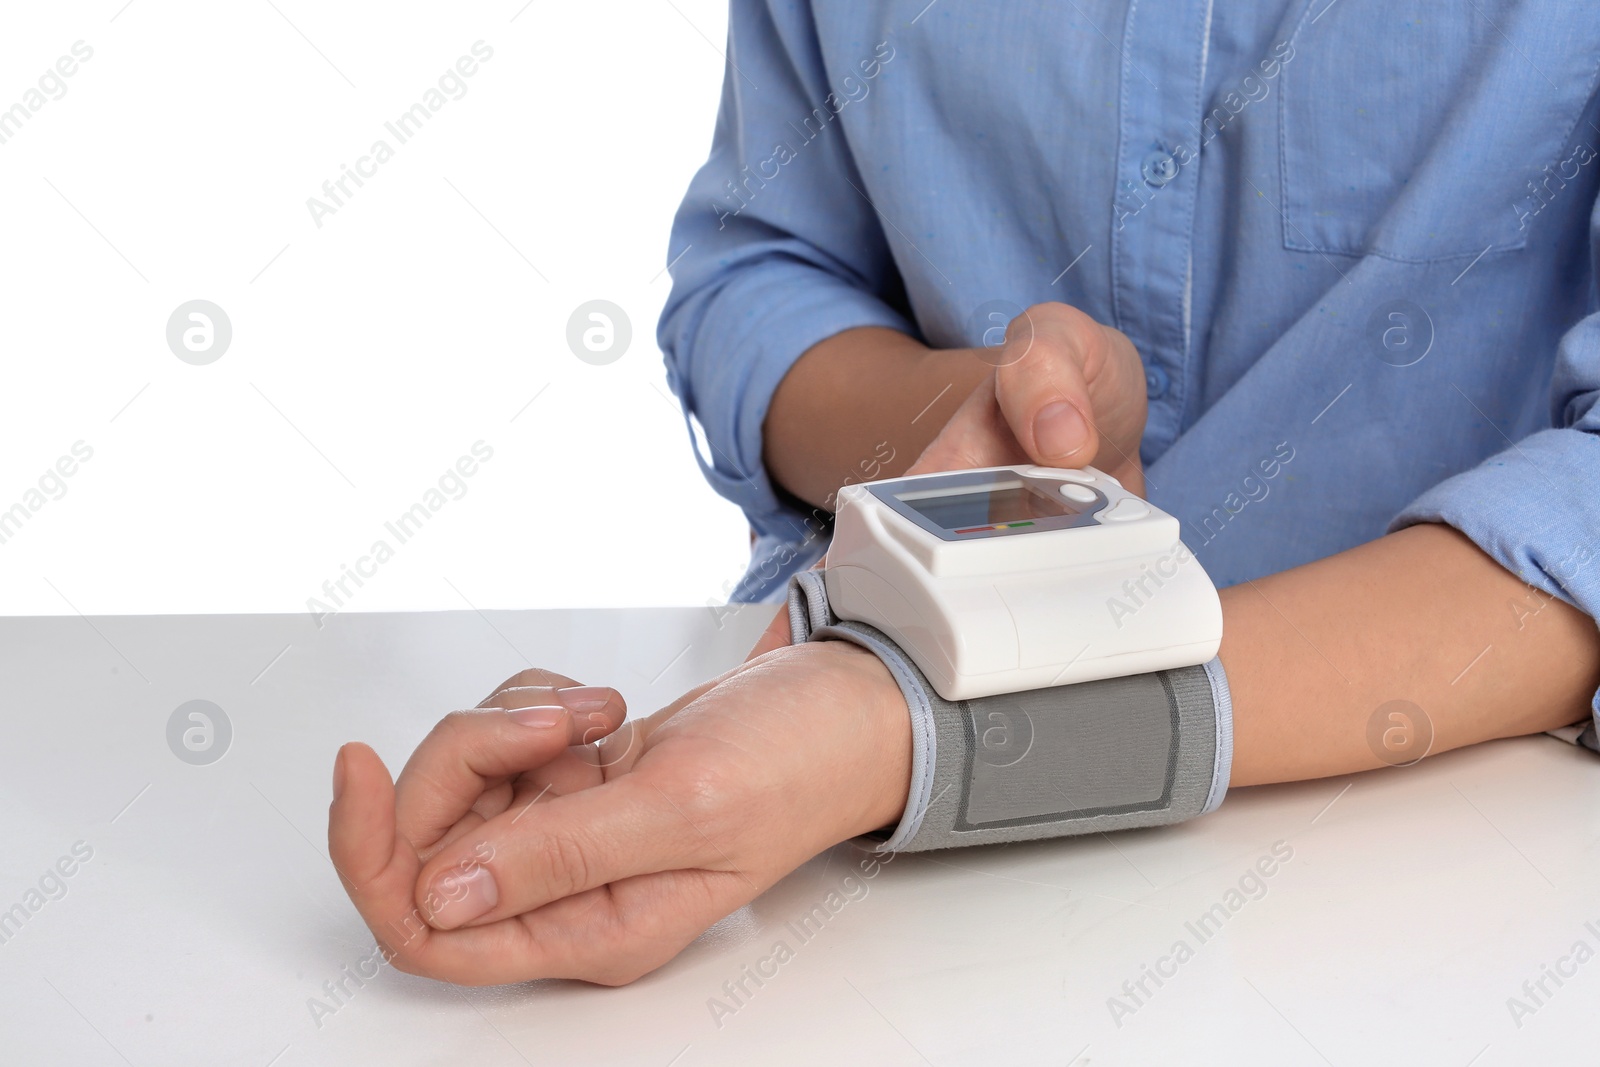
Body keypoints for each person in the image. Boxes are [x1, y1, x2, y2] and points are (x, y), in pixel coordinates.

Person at [328, 1, 1600, 985]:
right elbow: (759, 272)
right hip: (849, 870)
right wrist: (968, 420)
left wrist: (908, 728)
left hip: (1453, 889)